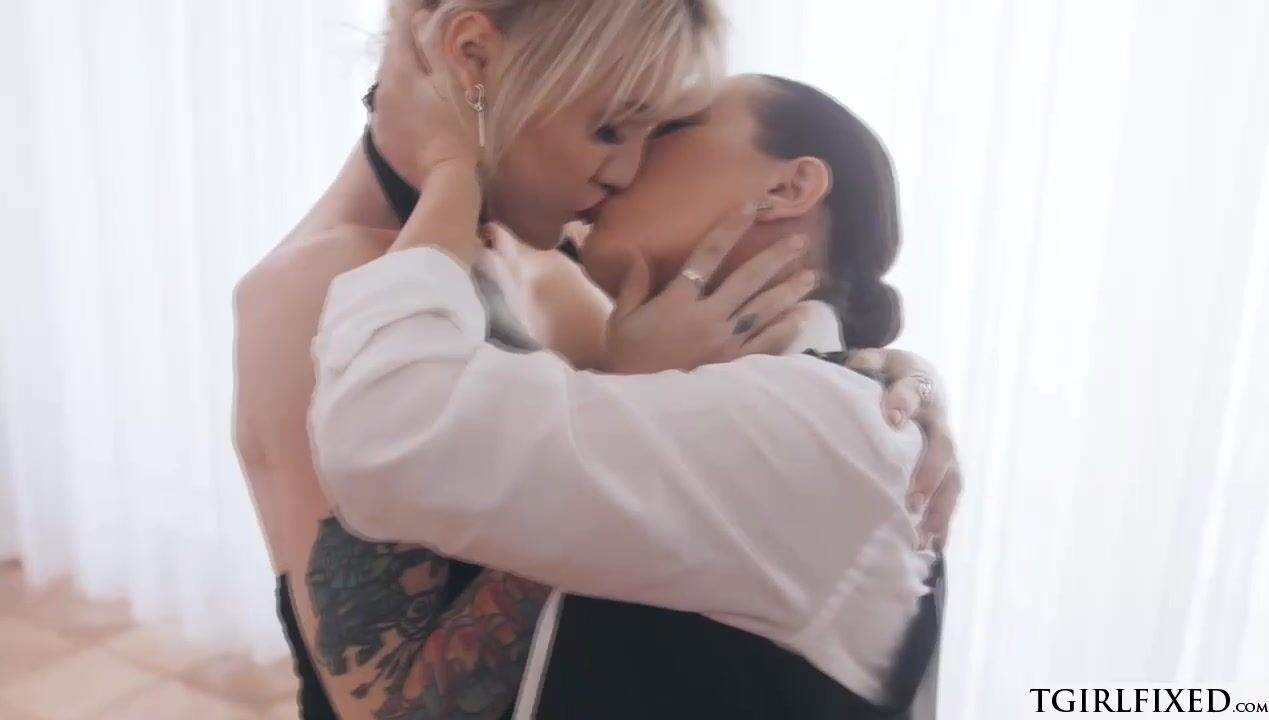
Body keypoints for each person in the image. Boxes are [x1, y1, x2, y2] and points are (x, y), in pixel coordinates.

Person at [235, 2, 958, 719]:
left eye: (658, 131)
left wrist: (882, 377)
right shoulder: (315, 291)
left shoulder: (556, 267)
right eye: (611, 126)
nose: (628, 169)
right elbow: (386, 708)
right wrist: (635, 382)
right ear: (473, 58)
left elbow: (744, 449)